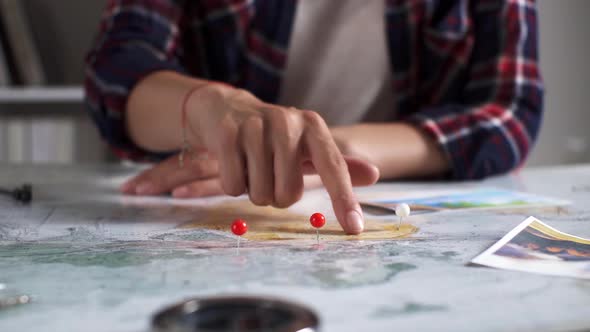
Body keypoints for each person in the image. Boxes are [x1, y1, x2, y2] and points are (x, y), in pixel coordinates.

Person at [85, 0, 543, 234]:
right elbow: (117, 73)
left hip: (380, 205)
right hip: (196, 207)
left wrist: (331, 152)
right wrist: (209, 107)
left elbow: (509, 109)